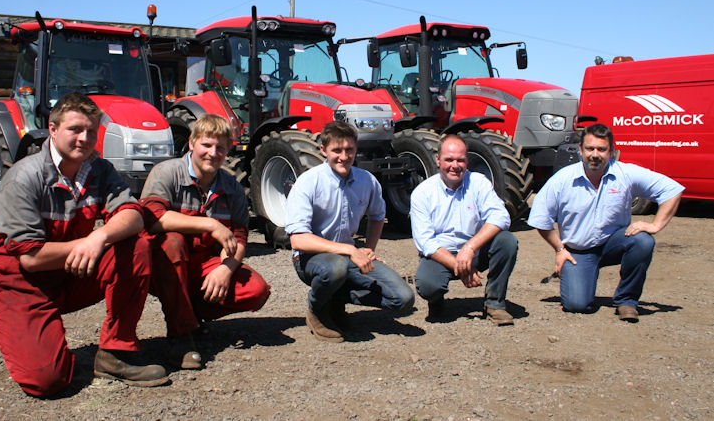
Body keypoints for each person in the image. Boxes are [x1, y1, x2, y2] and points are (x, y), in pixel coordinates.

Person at [0, 92, 167, 398]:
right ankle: (33, 332)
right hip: (18, 283)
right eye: (75, 129)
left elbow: (133, 216)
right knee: (47, 381)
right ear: (53, 129)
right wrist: (86, 245)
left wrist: (98, 237)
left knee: (137, 248)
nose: (85, 138)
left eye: (91, 131)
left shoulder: (99, 170)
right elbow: (31, 258)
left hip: (67, 270)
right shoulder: (24, 177)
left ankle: (115, 353)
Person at [141, 114, 270, 368]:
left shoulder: (232, 187)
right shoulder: (166, 173)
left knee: (255, 290)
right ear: (191, 143)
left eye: (220, 147)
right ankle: (181, 337)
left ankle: (190, 315)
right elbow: (151, 220)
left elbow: (240, 237)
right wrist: (209, 224)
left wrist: (225, 269)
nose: (213, 153)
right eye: (206, 145)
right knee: (172, 241)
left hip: (201, 265)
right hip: (163, 265)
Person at [528, 123, 684, 322]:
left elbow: (672, 190)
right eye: (590, 148)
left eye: (602, 149)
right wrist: (559, 249)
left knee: (643, 241)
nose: (595, 154)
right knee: (576, 305)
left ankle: (627, 300)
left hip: (614, 243)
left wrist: (655, 225)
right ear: (580, 150)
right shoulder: (562, 180)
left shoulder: (626, 174)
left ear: (611, 151)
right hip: (578, 251)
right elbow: (541, 219)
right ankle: (579, 276)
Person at [285, 121, 415, 342]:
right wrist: (349, 250)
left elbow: (377, 216)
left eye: (349, 150)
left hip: (348, 256)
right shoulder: (308, 183)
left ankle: (335, 301)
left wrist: (368, 250)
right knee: (334, 268)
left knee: (402, 298)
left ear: (356, 149)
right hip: (311, 259)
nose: (344, 157)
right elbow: (298, 240)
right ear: (323, 150)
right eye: (337, 150)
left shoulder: (367, 181)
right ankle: (317, 310)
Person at [410, 134, 517, 325]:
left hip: (474, 251)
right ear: (437, 160)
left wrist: (470, 248)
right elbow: (426, 242)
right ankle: (436, 303)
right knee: (428, 285)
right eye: (449, 159)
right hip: (442, 255)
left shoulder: (478, 182)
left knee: (507, 241)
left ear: (467, 160)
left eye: (460, 160)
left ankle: (495, 303)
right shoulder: (422, 193)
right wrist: (460, 268)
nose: (455, 165)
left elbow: (501, 216)